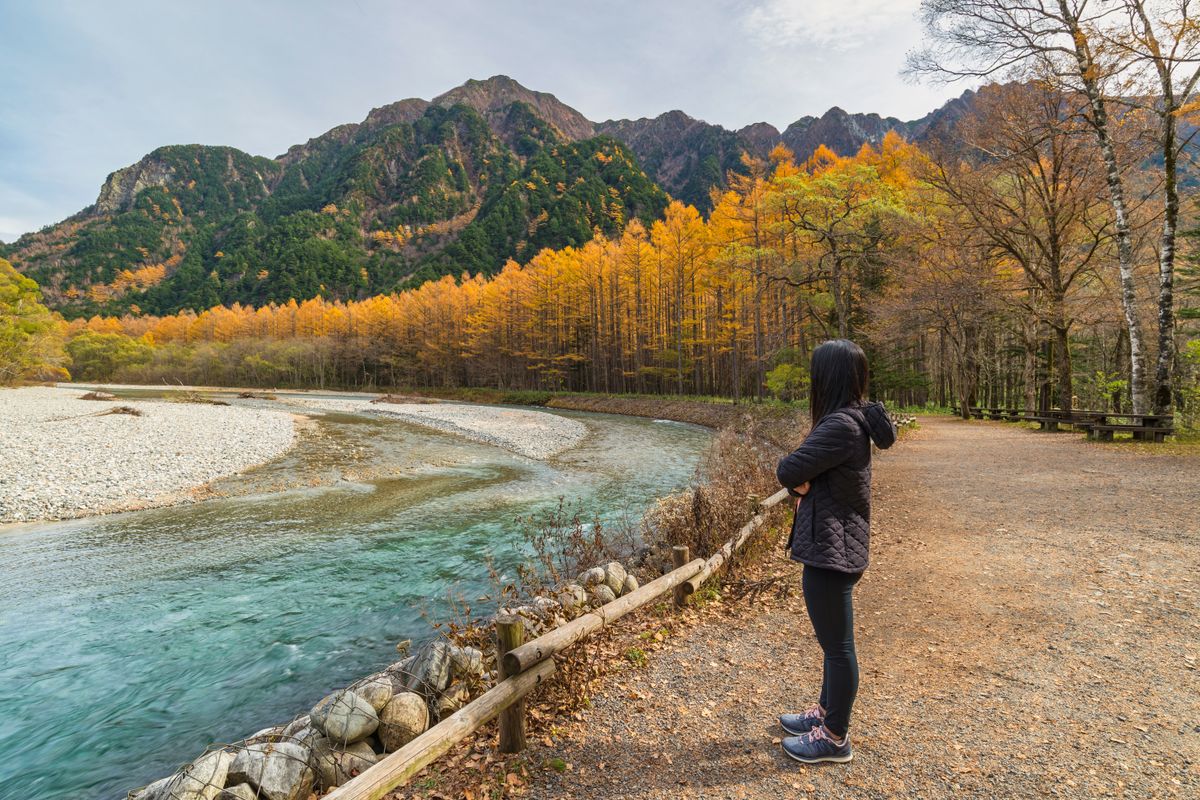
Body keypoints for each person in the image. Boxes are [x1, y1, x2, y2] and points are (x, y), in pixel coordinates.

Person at [774, 339, 896, 764]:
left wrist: (796, 482)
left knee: (838, 647)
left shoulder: (839, 426)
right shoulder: (853, 421)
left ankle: (834, 737)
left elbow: (788, 469)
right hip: (839, 544)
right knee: (833, 645)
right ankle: (825, 714)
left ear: (826, 378)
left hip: (832, 549)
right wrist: (800, 484)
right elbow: (802, 477)